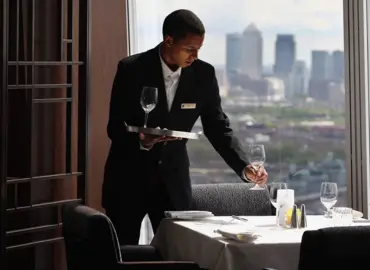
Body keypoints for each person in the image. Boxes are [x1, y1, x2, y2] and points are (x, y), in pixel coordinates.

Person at [102, 9, 268, 245]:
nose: (195, 56)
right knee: (121, 254)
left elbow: (218, 126)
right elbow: (114, 126)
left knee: (177, 254)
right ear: (169, 41)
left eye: (199, 49)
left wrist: (244, 167)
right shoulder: (131, 69)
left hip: (173, 183)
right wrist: (141, 140)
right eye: (190, 49)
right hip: (127, 180)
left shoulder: (204, 74)